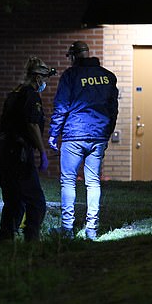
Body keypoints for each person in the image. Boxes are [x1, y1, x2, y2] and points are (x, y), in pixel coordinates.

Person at [48, 41, 118, 240]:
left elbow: (61, 105)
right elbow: (113, 108)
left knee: (68, 181)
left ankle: (67, 229)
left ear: (73, 57)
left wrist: (54, 133)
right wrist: (107, 131)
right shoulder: (108, 76)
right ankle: (92, 229)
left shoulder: (71, 75)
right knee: (93, 181)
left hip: (74, 134)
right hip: (98, 135)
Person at [0, 56, 55, 243]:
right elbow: (32, 124)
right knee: (36, 202)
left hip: (5, 150)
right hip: (19, 153)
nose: (45, 83)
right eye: (44, 79)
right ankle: (32, 241)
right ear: (38, 78)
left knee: (13, 200)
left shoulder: (15, 92)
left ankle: (5, 240)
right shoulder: (30, 94)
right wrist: (43, 152)